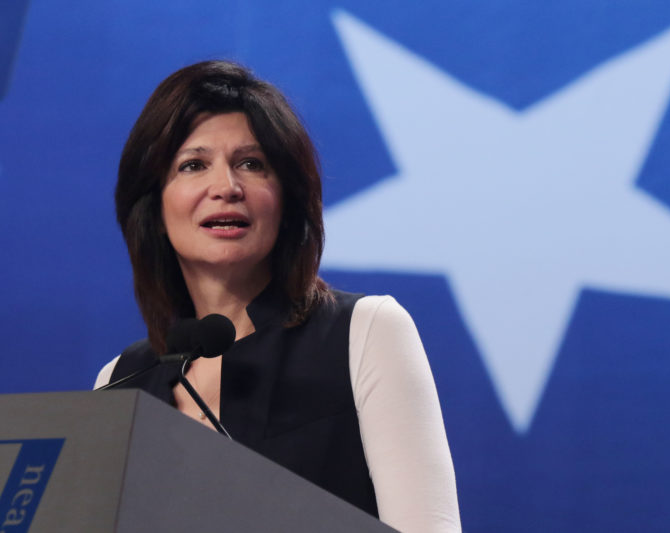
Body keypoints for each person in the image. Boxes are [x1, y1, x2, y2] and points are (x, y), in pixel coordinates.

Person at [94, 60, 461, 532]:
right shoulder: (120, 383)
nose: (226, 187)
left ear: (286, 199)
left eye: (252, 164)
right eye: (193, 165)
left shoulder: (365, 333)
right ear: (154, 204)